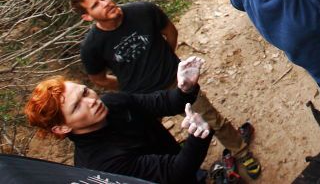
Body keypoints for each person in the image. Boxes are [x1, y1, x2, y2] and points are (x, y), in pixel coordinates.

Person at [70, 0, 261, 178]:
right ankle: (181, 169)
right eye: (95, 5)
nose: (105, 3)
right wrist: (128, 85)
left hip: (175, 83)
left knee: (211, 120)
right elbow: (99, 79)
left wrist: (167, 61)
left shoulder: (142, 10)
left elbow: (171, 32)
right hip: (139, 98)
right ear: (87, 17)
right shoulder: (91, 46)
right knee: (148, 139)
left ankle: (241, 152)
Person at [25, 56, 213, 184]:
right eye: (77, 106)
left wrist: (184, 90)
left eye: (84, 91)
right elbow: (173, 173)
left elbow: (157, 103)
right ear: (62, 128)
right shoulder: (100, 164)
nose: (91, 100)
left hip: (182, 164)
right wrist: (198, 137)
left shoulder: (111, 103)